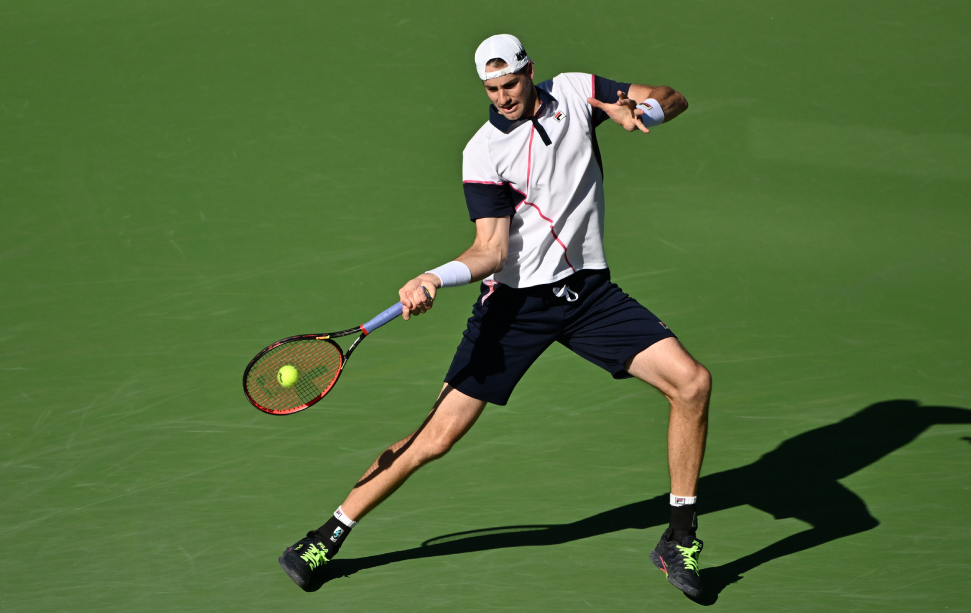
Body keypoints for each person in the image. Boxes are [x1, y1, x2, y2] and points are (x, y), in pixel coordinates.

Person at [279, 34, 711, 598]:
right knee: (435, 437)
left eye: (510, 84)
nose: (503, 97)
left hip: (587, 294)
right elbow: (491, 251)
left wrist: (643, 110)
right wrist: (437, 274)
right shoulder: (483, 152)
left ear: (531, 72)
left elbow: (671, 96)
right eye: (491, 88)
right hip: (515, 308)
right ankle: (326, 535)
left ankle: (679, 537)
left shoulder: (576, 92)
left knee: (692, 383)